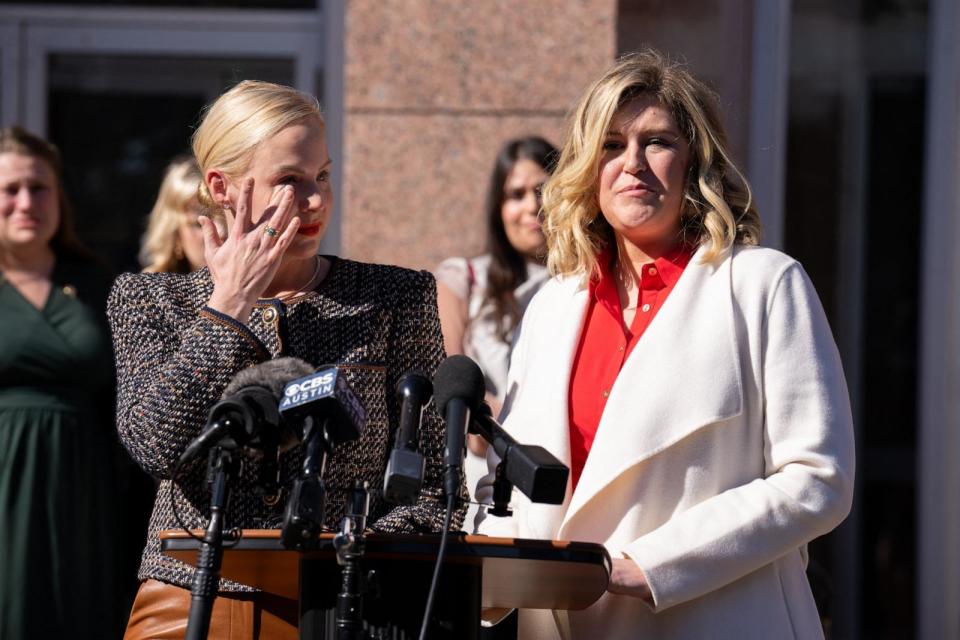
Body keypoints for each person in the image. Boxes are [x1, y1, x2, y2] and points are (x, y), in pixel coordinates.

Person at [476, 50, 855, 639]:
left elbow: (817, 478)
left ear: (695, 162)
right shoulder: (553, 304)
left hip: (714, 620)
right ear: (586, 166)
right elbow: (516, 483)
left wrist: (648, 568)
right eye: (611, 144)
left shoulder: (760, 283)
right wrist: (482, 574)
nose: (633, 164)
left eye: (657, 142)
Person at [108, 80, 462, 639]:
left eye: (321, 175)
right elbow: (158, 446)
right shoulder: (150, 299)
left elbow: (439, 488)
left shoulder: (399, 298)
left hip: (345, 604)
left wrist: (352, 555)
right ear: (221, 187)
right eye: (289, 181)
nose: (316, 200)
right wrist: (228, 307)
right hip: (195, 597)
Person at [0, 126, 124, 638]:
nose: (26, 202)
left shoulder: (102, 285)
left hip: (85, 486)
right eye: (10, 189)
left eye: (40, 186)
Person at [434, 135, 557, 529]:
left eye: (542, 190)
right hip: (483, 468)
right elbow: (447, 375)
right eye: (515, 194)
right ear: (498, 208)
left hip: (561, 470)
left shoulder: (587, 284)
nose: (531, 206)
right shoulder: (463, 279)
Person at [139, 155, 207, 273]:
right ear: (175, 233)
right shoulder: (147, 289)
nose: (221, 232)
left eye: (230, 220)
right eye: (199, 224)